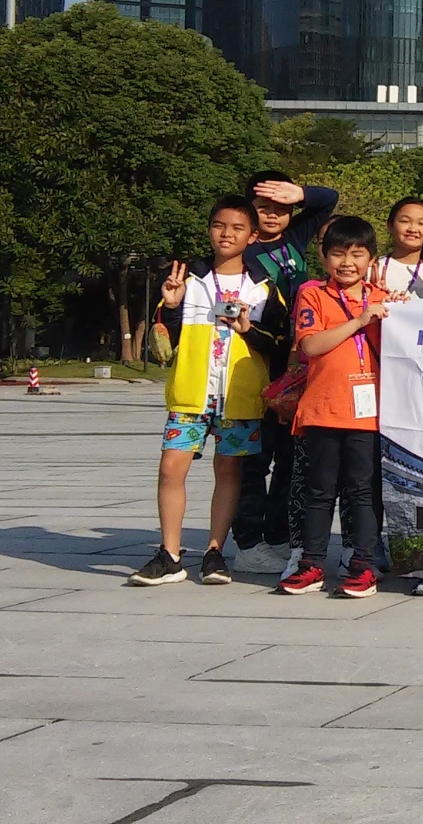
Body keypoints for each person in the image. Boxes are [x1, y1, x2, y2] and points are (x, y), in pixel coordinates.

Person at [129, 196, 289, 587]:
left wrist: (249, 330)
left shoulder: (264, 287)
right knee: (171, 467)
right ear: (209, 230)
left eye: (237, 228)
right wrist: (171, 307)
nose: (226, 235)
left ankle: (215, 551)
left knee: (230, 471)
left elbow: (280, 344)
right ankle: (170, 554)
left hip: (238, 396)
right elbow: (165, 340)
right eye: (219, 226)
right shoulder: (189, 280)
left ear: (253, 236)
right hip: (191, 394)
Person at [231, 172, 338, 577]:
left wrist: (300, 193)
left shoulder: (294, 238)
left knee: (289, 460)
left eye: (282, 207)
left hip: (296, 367)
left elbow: (328, 199)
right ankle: (247, 540)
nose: (273, 214)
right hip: (257, 362)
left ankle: (277, 536)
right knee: (254, 461)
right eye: (263, 207)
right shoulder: (243, 251)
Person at [280, 216, 390, 598]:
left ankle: (363, 565)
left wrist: (392, 310)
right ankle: (312, 565)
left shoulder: (384, 299)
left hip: (368, 414)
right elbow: (310, 345)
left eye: (357, 254)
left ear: (371, 259)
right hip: (324, 408)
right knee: (320, 490)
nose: (347, 262)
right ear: (324, 257)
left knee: (363, 491)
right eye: (338, 254)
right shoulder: (313, 295)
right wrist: (360, 320)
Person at [373, 197, 423, 297]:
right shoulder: (374, 268)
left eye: (421, 223)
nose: (412, 229)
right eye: (404, 221)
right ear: (390, 225)